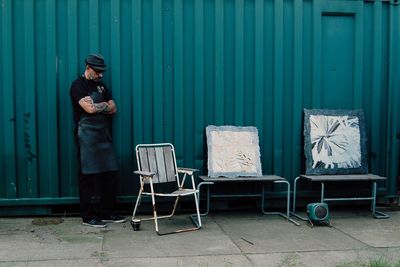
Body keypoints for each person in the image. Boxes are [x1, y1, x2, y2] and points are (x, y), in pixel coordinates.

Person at [70, 53, 125, 227]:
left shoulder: (102, 86)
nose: (101, 75)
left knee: (111, 173)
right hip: (85, 135)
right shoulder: (77, 86)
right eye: (98, 71)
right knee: (87, 176)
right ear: (88, 68)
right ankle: (88, 216)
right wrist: (102, 106)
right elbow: (89, 109)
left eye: (102, 71)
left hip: (102, 135)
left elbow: (113, 107)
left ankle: (107, 212)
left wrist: (97, 106)